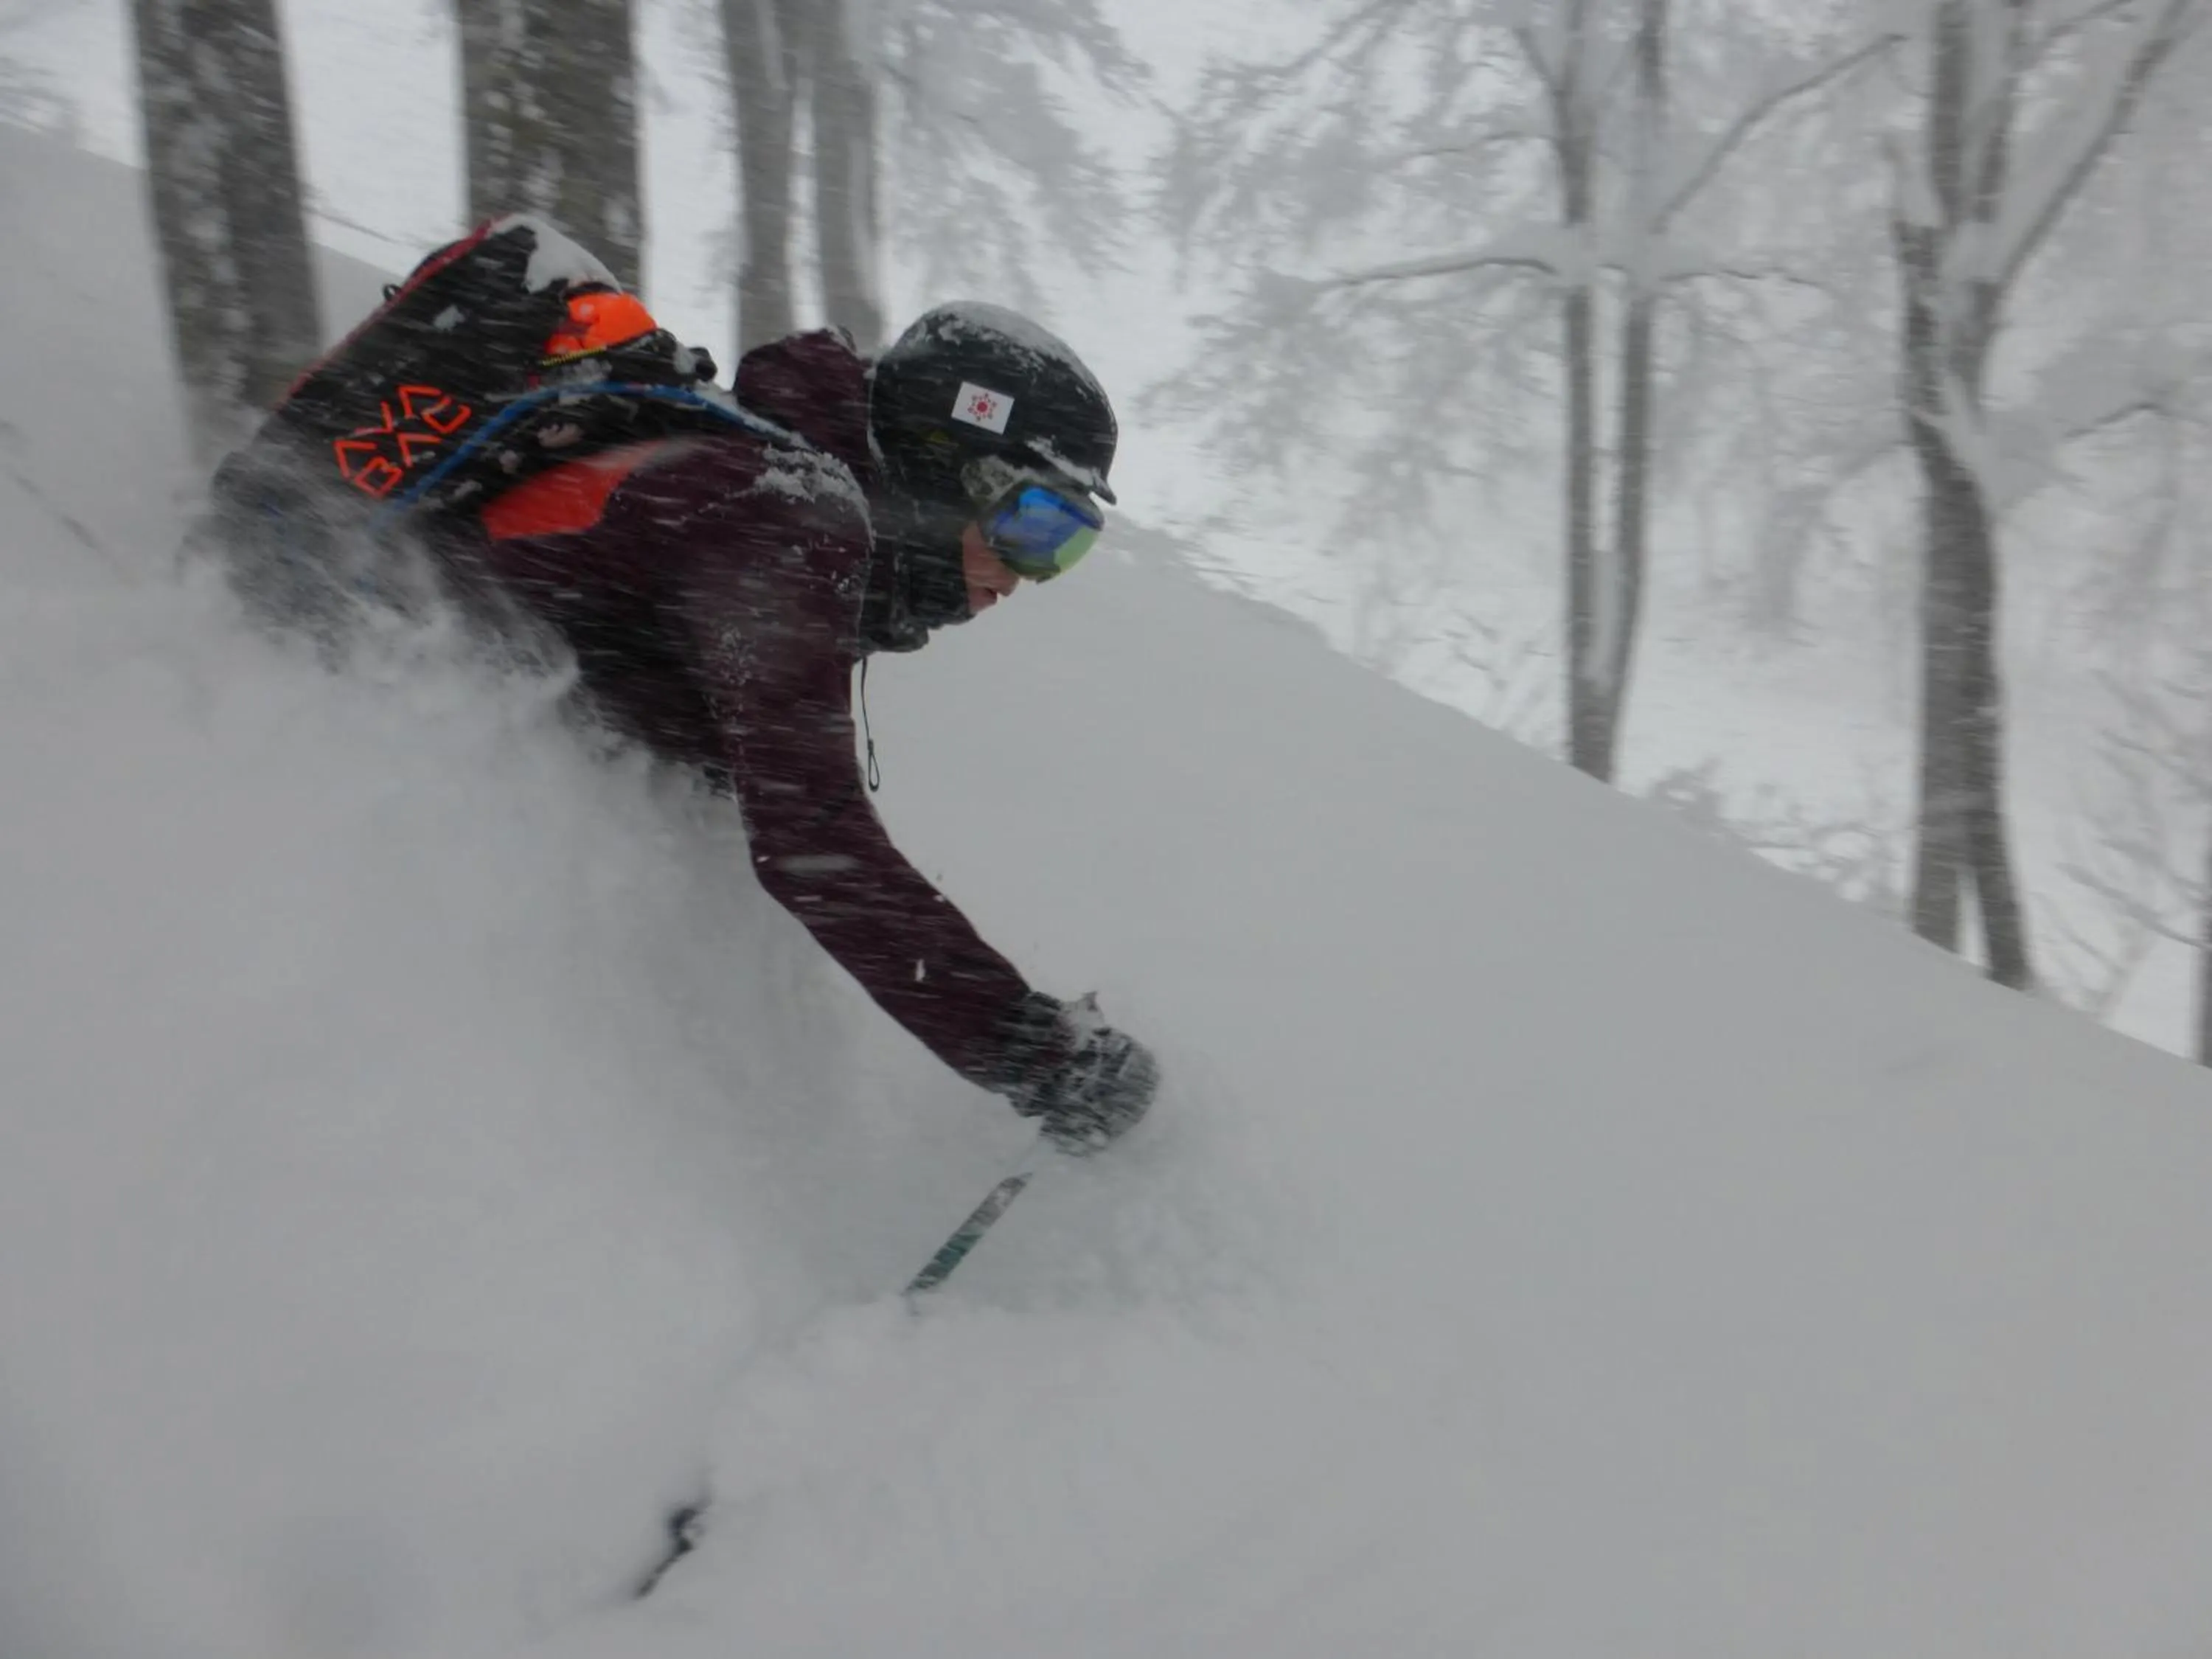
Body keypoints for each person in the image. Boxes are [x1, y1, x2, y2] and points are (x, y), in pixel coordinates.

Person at [220, 268, 1158, 1155]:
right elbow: (812, 845)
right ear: (947, 463)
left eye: (1067, 547)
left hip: (371, 740)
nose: (1030, 574)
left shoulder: (775, 499)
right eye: (1038, 526)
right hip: (341, 766)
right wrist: (1036, 1055)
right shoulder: (784, 513)